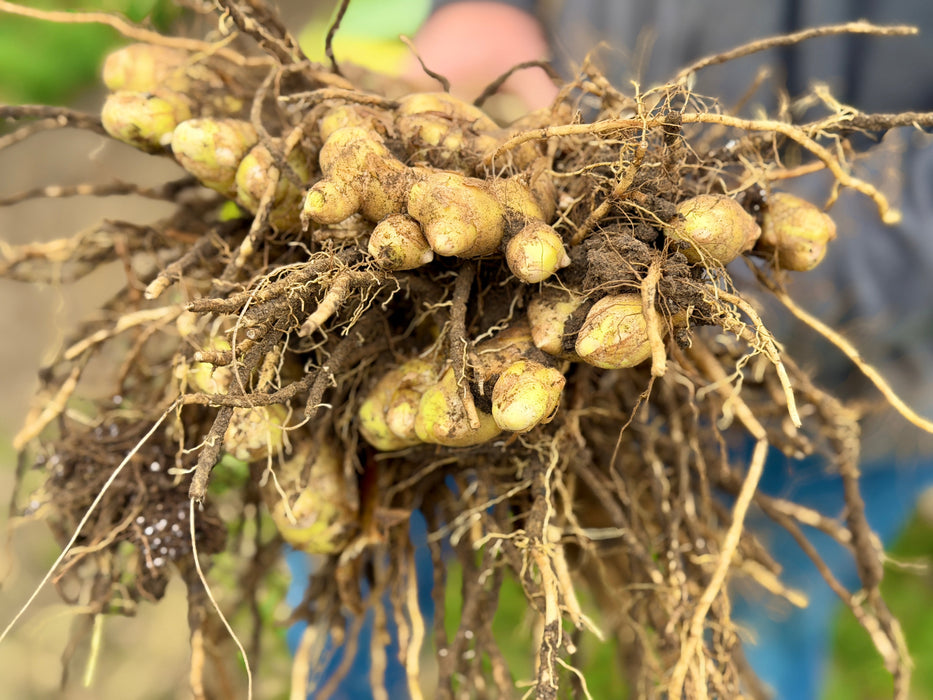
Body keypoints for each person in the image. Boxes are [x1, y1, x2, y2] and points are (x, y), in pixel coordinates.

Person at [289, 1, 933, 697]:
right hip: (449, 300)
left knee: (747, 628)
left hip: (824, 379)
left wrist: (699, 283)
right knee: (357, 569)